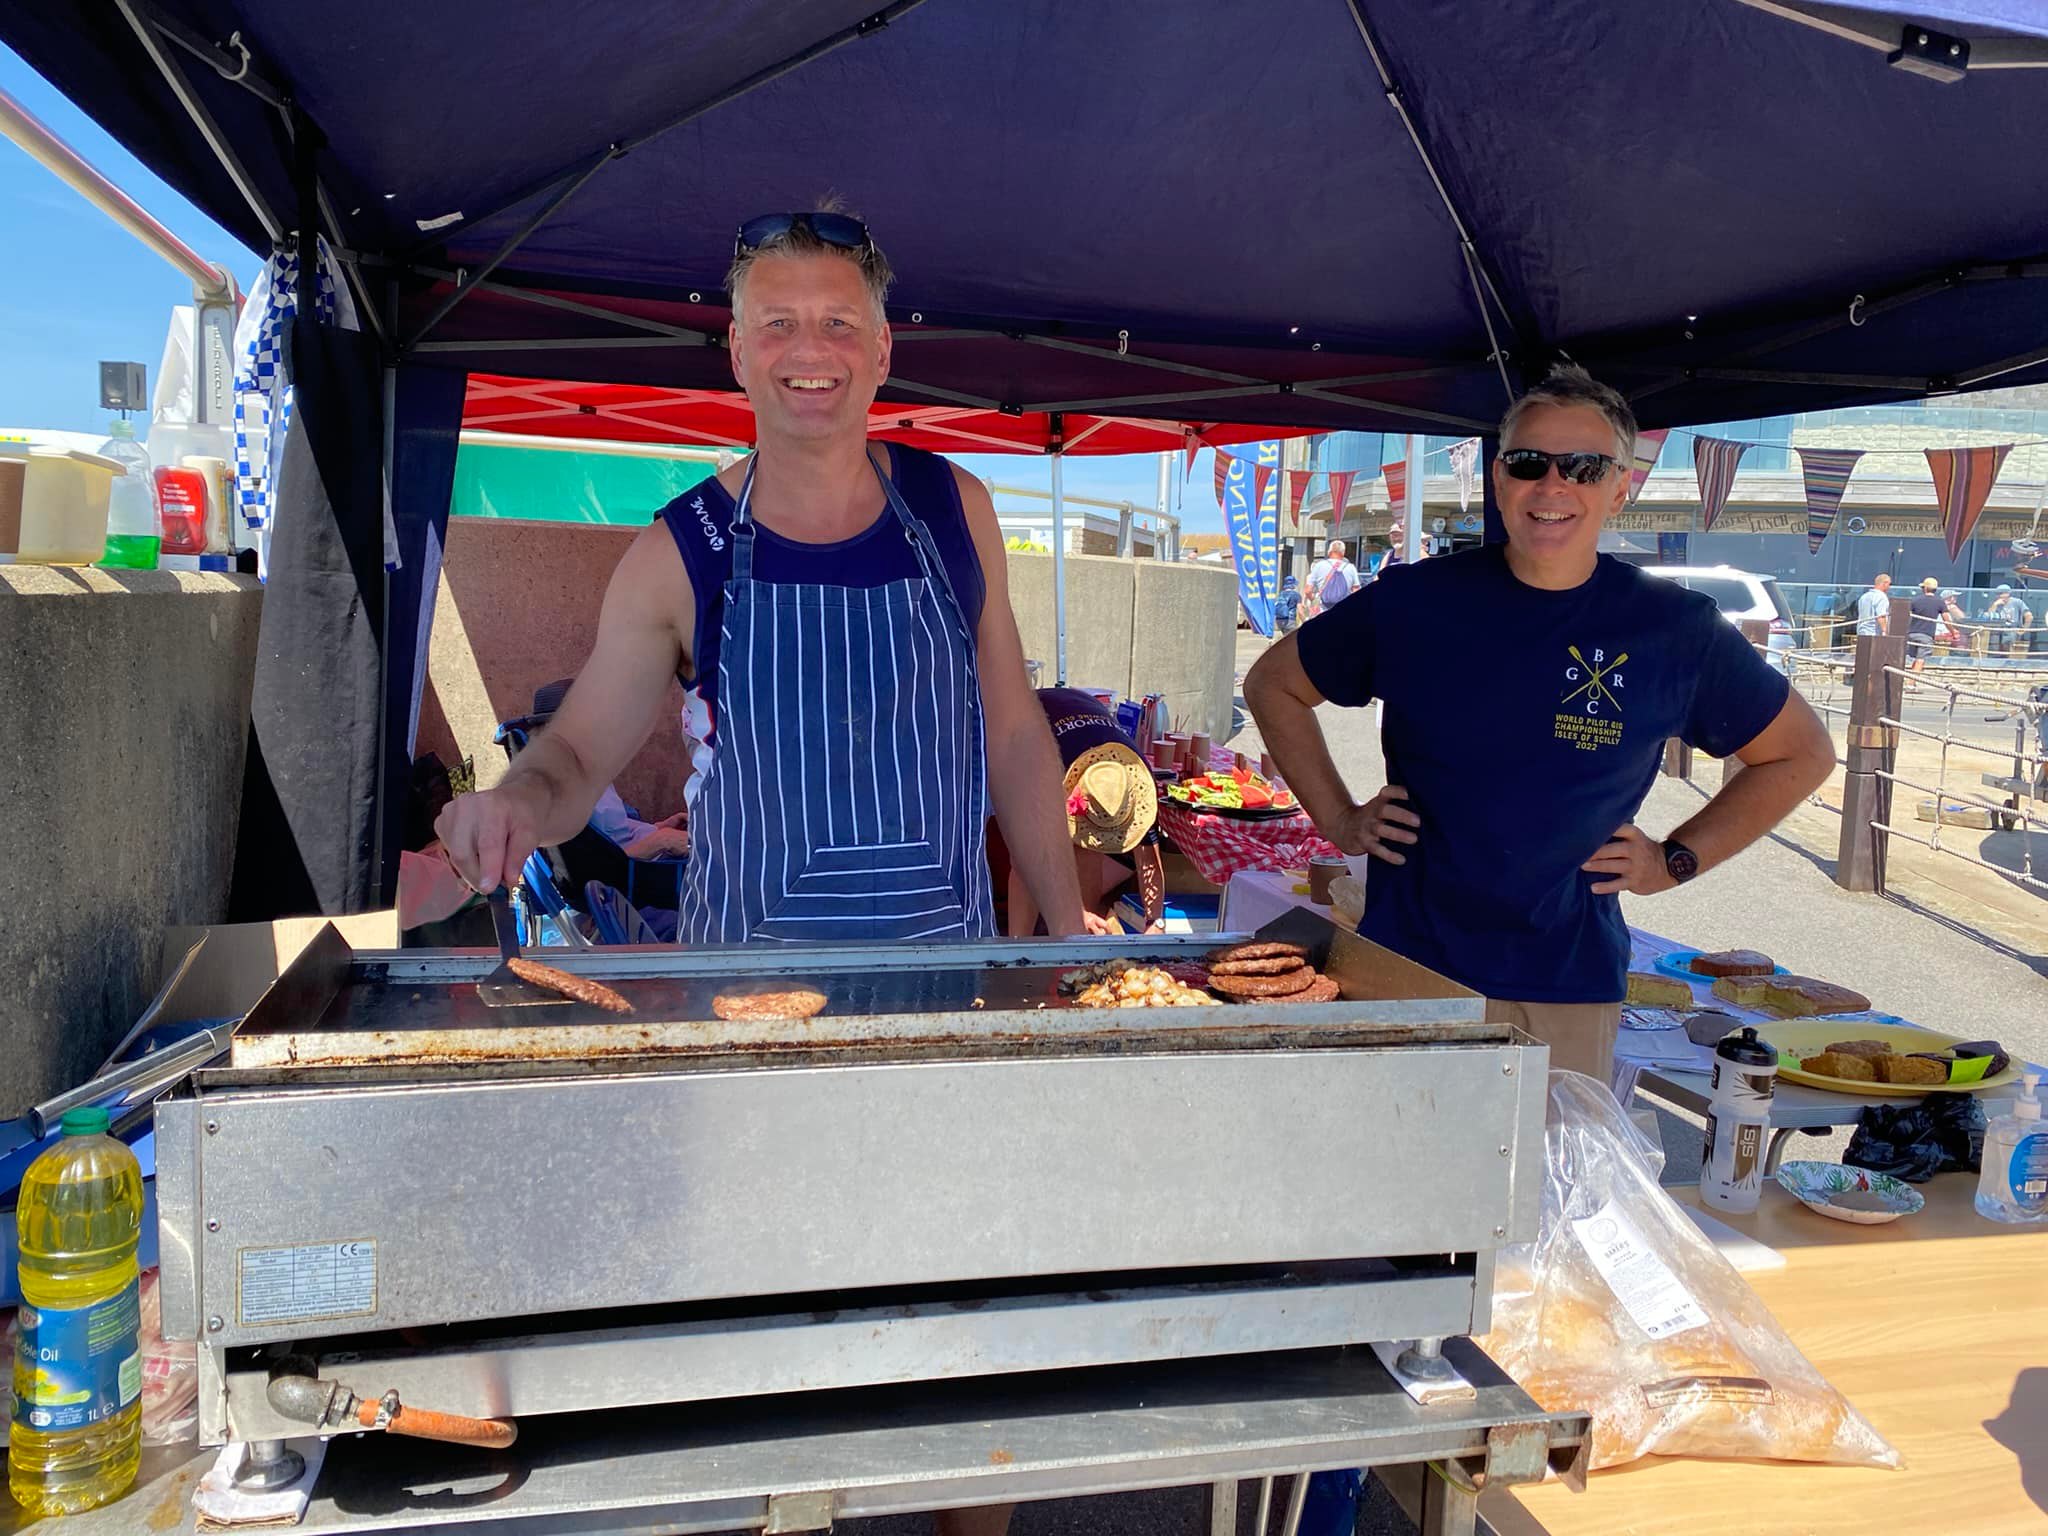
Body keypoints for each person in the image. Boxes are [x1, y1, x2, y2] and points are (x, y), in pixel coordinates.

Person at [436, 207, 1087, 954]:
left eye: (839, 323)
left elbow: (1012, 737)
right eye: (778, 324)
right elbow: (578, 756)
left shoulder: (957, 511)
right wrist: (516, 801)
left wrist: (1070, 935)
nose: (810, 349)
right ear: (740, 353)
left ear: (880, 351)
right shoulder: (677, 554)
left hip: (945, 991)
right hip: (744, 1006)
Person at [1244, 363, 1834, 1085]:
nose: (1553, 486)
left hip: (1566, 982)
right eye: (1530, 462)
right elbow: (1273, 683)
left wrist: (1673, 860)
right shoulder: (1416, 602)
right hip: (1406, 966)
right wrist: (1337, 816)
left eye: (1584, 467)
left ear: (1621, 487)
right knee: (1398, 1186)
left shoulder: (1673, 629)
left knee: (1546, 1192)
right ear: (1499, 478)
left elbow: (1800, 754)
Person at [1002, 688, 1166, 937]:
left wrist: (1155, 922)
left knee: (1087, 851)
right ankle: (1017, 949)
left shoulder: (1136, 784)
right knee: (1026, 867)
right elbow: (1028, 858)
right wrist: (1073, 910)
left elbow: (1149, 862)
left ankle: (1079, 946)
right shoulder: (1043, 769)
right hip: (1022, 721)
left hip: (1079, 713)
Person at [1306, 538, 1362, 611]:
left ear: (1329, 552)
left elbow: (1307, 590)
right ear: (1343, 553)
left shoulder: (1319, 566)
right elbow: (1356, 590)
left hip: (1323, 608)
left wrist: (1314, 600)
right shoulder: (1351, 568)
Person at [1906, 576, 1946, 674]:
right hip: (1926, 635)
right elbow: (1947, 619)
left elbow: (1907, 616)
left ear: (1925, 588)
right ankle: (1911, 683)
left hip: (1912, 633)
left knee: (1914, 658)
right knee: (1921, 659)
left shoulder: (1915, 600)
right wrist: (1954, 632)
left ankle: (1909, 680)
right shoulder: (1939, 602)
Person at [1982, 584, 2028, 659]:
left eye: (2000, 594)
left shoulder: (2017, 602)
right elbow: (1989, 617)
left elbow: (2029, 616)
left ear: (2008, 594)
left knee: (2009, 641)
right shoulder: (1996, 603)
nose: (1998, 596)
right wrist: (1994, 605)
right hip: (1998, 631)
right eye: (1997, 594)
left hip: (2012, 630)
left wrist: (2024, 629)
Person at [1854, 572, 1892, 638]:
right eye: (1889, 584)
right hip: (1874, 634)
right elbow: (1881, 616)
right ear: (1885, 583)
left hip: (1861, 632)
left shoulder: (1864, 596)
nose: (1889, 587)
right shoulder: (1881, 597)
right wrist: (1885, 632)